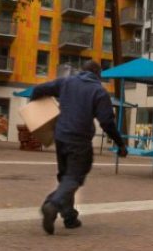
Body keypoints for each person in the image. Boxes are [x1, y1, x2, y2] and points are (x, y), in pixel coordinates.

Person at [31, 59, 127, 234]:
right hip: (80, 139)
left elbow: (38, 89)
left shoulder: (66, 82)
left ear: (82, 71)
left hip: (60, 137)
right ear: (98, 75)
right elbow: (107, 121)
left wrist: (34, 107)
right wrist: (120, 144)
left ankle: (69, 217)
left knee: (66, 177)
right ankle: (51, 204)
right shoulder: (99, 91)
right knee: (74, 176)